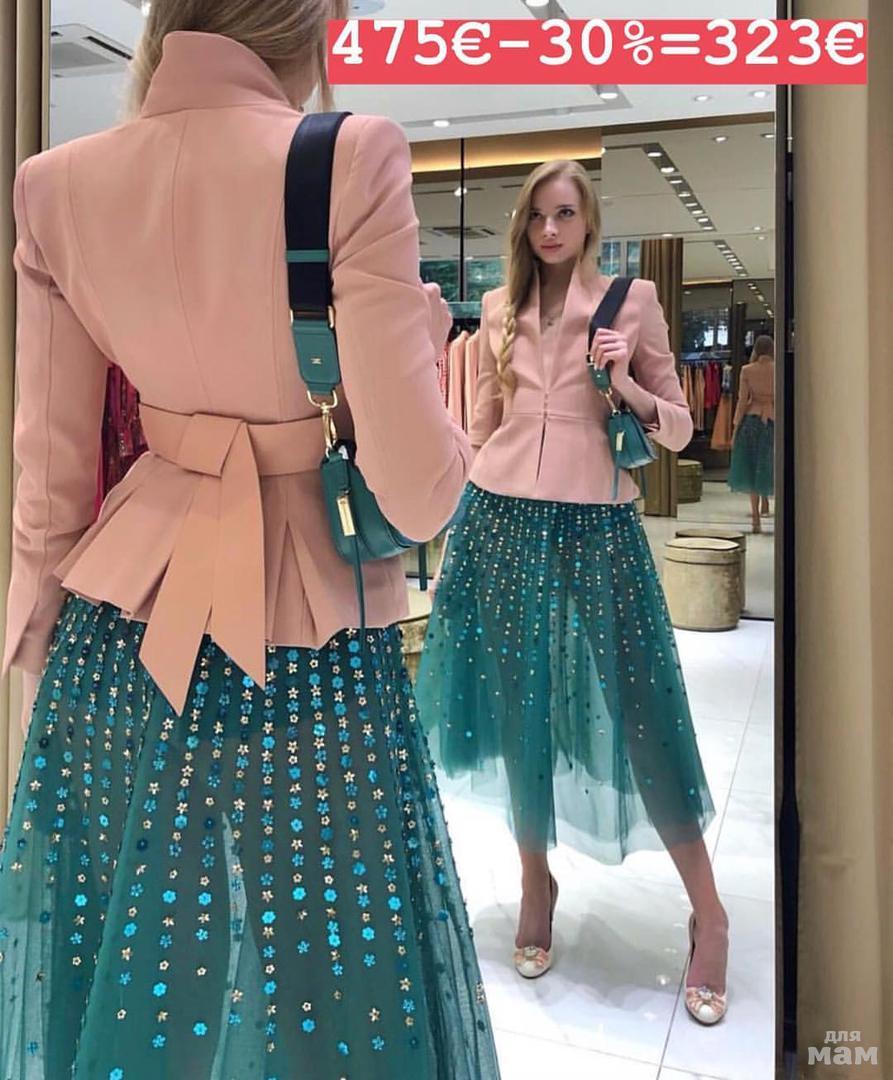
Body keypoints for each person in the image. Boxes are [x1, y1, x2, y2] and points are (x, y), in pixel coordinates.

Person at [0, 4, 501, 1077]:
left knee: (144, 979)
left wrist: (35, 636)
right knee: (327, 987)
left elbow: (51, 469)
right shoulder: (346, 154)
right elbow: (419, 497)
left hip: (119, 638)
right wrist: (425, 348)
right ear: (319, 18)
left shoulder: (55, 184)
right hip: (309, 642)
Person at [416, 160, 730, 1026]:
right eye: (536, 216)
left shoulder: (631, 303)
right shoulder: (495, 311)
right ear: (522, 227)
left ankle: (708, 913)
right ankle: (534, 882)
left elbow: (679, 430)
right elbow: (482, 430)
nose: (549, 229)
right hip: (500, 521)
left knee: (642, 707)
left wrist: (623, 382)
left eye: (564, 214)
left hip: (597, 528)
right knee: (519, 707)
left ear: (588, 222)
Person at [729, 335, 776, 532]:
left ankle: (755, 518)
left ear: (755, 349)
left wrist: (735, 426)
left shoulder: (747, 370)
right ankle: (767, 504)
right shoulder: (778, 369)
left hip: (751, 420)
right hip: (773, 420)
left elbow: (742, 400)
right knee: (770, 465)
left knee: (751, 467)